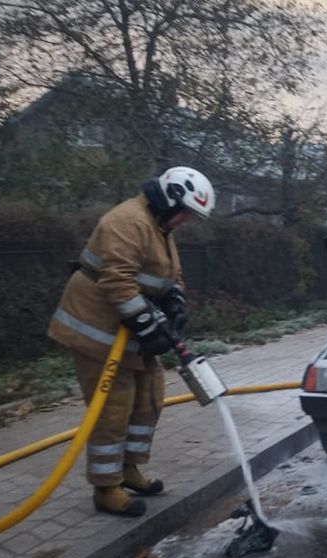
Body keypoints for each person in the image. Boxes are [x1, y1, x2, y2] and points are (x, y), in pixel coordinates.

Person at [48, 166, 214, 517]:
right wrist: (146, 323)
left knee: (150, 393)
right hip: (96, 327)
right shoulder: (127, 221)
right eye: (185, 211)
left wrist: (175, 299)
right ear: (170, 200)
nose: (186, 220)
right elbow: (118, 281)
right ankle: (106, 487)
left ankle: (129, 470)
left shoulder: (159, 225)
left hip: (126, 331)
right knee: (113, 406)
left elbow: (170, 272)